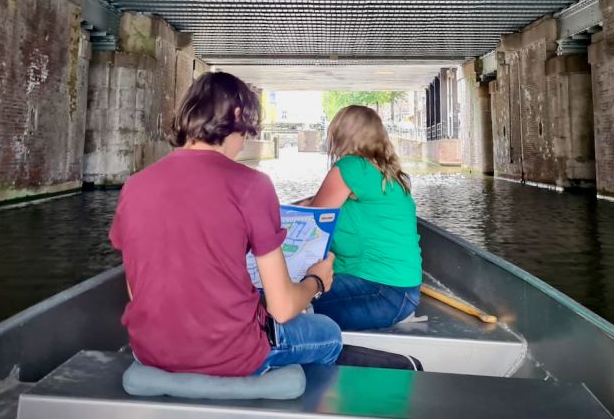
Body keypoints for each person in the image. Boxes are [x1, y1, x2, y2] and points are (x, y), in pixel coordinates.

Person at [109, 71, 342, 376]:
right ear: (237, 115)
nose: (244, 142)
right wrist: (316, 282)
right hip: (232, 354)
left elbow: (135, 288)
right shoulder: (251, 185)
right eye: (247, 131)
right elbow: (282, 308)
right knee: (328, 333)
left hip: (149, 351)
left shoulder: (135, 186)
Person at [306, 105, 423, 330]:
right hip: (404, 293)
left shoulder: (350, 167)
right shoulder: (386, 173)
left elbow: (312, 223)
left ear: (341, 134)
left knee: (281, 300)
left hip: (378, 292)